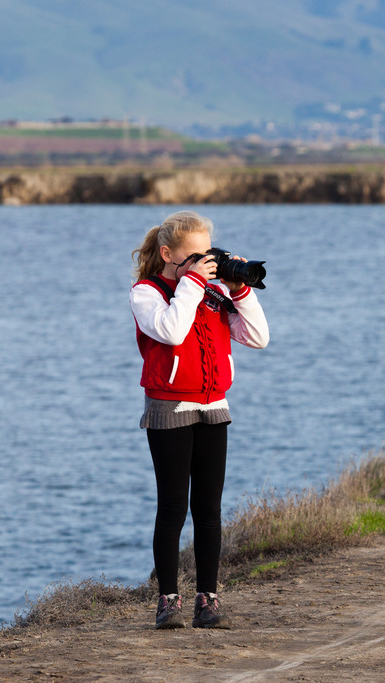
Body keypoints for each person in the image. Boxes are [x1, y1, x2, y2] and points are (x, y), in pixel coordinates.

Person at [129, 210, 269, 629]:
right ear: (168, 253)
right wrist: (190, 284)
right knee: (172, 508)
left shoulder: (212, 294)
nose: (205, 263)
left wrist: (239, 291)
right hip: (169, 408)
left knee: (208, 510)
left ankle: (208, 602)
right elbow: (170, 331)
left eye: (208, 254)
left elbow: (259, 338)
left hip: (213, 407)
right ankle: (167, 602)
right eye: (195, 256)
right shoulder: (146, 292)